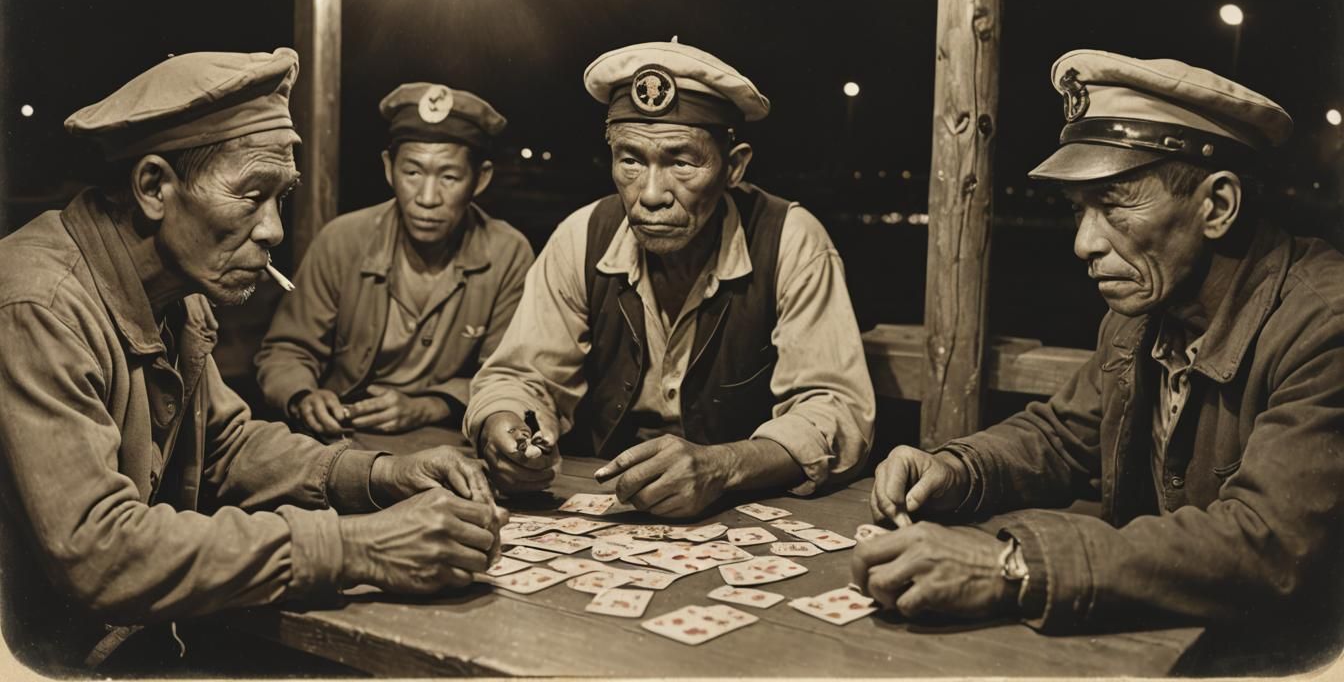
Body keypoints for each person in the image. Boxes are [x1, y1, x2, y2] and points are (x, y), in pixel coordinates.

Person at [0, 50, 504, 673]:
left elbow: (227, 450)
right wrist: (359, 548)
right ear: (155, 187)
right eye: (252, 196)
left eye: (281, 197)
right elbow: (99, 553)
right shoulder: (38, 305)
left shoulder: (181, 296)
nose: (273, 231)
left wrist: (378, 476)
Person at [853, 50, 1344, 663]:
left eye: (1114, 204)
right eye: (1079, 210)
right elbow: (1063, 436)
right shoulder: (1144, 309)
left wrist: (1013, 567)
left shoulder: (1326, 326)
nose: (1085, 243)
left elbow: (1267, 545)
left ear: (1217, 206)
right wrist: (958, 468)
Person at [465, 39, 875, 517]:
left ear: (734, 167)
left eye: (682, 161)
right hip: (606, 503)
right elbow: (520, 375)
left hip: (744, 510)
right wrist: (504, 423)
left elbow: (834, 409)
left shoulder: (791, 240)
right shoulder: (582, 236)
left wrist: (724, 465)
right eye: (631, 160)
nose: (652, 194)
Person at [255, 82, 532, 446]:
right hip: (344, 439)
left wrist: (430, 406)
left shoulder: (507, 254)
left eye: (449, 177)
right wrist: (304, 397)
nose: (427, 198)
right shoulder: (343, 240)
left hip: (451, 441)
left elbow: (510, 377)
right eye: (413, 173)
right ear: (389, 169)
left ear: (480, 179)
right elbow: (285, 351)